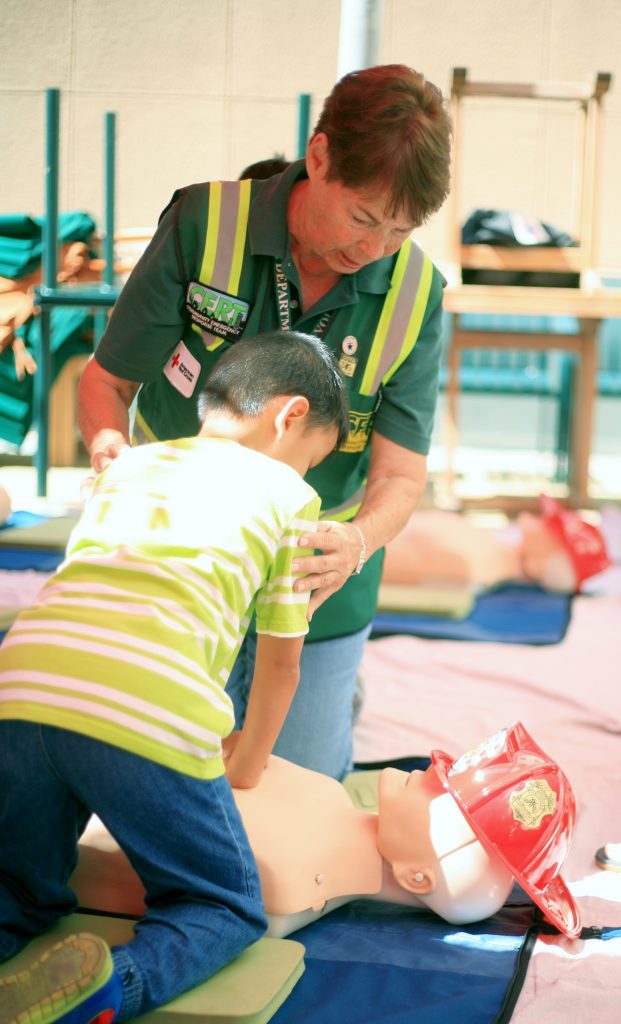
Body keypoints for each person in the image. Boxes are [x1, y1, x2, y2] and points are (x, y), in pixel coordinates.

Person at [76, 63, 453, 780]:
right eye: (363, 218)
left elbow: (401, 473)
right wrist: (109, 455)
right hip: (184, 561)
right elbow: (107, 381)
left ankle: (333, 697)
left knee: (299, 789)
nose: (373, 249)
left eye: (399, 231)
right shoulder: (203, 224)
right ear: (318, 158)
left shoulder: (416, 296)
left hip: (316, 577)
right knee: (163, 772)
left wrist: (356, 541)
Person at [0, 330, 349, 1024]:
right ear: (288, 416)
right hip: (145, 707)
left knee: (19, 888)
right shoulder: (290, 499)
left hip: (21, 682)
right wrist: (246, 763)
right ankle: (112, 990)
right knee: (219, 903)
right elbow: (281, 662)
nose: (307, 474)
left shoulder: (130, 465)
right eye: (314, 456)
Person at [8, 721, 578, 1024]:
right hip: (85, 791)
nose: (431, 769)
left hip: (62, 806)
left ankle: (115, 986)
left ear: (419, 878)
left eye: (444, 791)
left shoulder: (288, 882)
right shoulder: (325, 800)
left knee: (223, 915)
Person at [382, 495, 612, 594]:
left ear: (537, 566)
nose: (540, 519)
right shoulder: (484, 550)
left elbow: (373, 562)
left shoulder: (472, 564)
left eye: (550, 527)